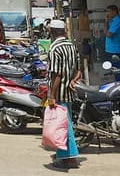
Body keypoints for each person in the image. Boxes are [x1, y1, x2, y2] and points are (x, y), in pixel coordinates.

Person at [47, 19, 82, 169]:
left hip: (60, 93)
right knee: (62, 124)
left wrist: (51, 95)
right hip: (69, 92)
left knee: (63, 125)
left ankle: (69, 157)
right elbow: (79, 70)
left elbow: (57, 75)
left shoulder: (55, 48)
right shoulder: (71, 46)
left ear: (52, 32)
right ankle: (63, 154)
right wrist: (73, 80)